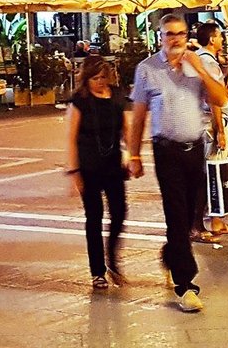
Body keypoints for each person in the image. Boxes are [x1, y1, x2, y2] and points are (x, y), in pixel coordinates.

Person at [127, 12, 228, 313]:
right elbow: (139, 115)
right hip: (166, 150)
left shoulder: (199, 65)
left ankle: (172, 253)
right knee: (175, 214)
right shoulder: (147, 69)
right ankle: (186, 286)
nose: (175, 39)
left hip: (194, 148)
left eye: (180, 34)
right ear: (160, 37)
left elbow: (221, 99)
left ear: (187, 36)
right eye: (169, 34)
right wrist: (134, 154)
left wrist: (200, 70)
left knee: (190, 215)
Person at [67, 55, 128, 290]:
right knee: (94, 217)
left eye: (103, 77)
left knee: (119, 212)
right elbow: (71, 138)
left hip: (113, 164)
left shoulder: (116, 96)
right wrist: (74, 171)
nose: (99, 82)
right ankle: (97, 271)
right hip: (89, 167)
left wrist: (132, 154)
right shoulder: (79, 101)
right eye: (94, 78)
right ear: (86, 79)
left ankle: (112, 257)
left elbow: (126, 127)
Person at [192, 22, 228, 240]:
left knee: (208, 170)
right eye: (219, 36)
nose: (222, 40)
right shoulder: (207, 62)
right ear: (212, 39)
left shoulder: (199, 59)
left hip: (204, 120)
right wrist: (220, 130)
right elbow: (214, 98)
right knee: (215, 170)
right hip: (212, 121)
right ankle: (215, 219)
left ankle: (214, 217)